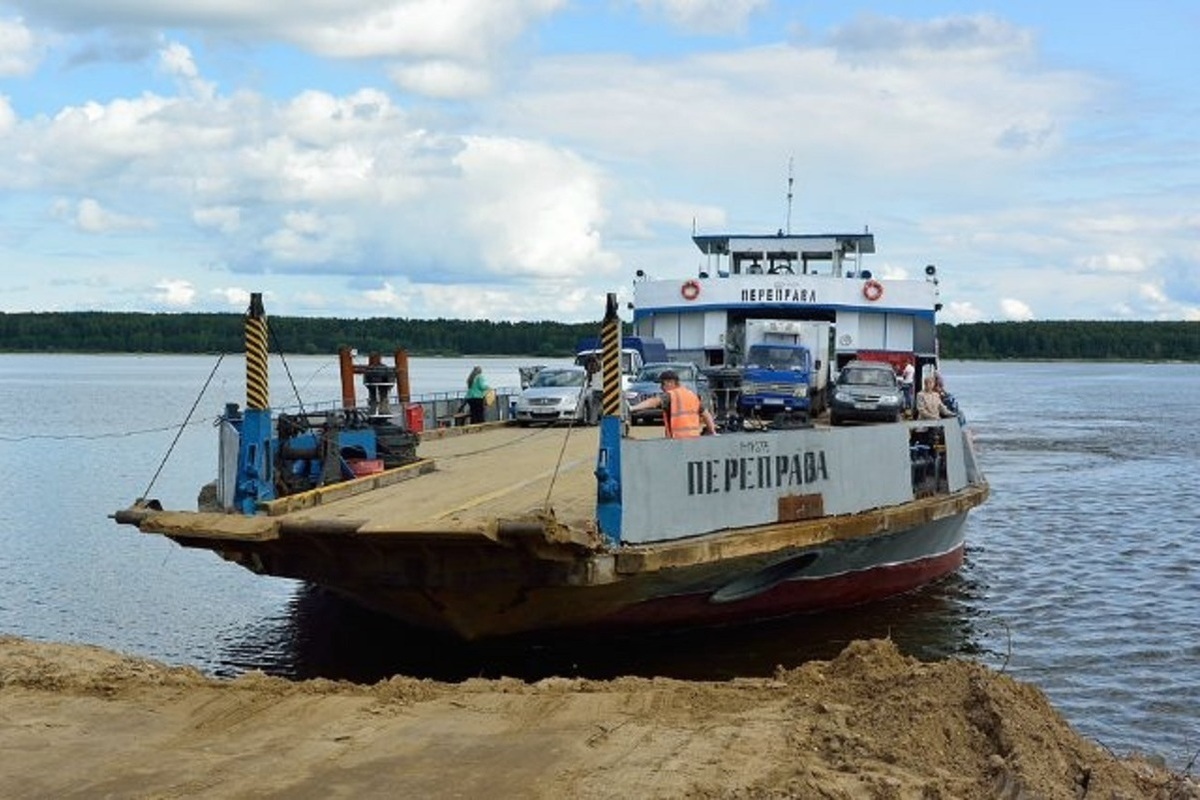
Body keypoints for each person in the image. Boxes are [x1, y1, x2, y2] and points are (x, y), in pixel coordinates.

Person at [628, 370, 717, 438]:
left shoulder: (672, 395)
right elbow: (706, 414)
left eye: (663, 384)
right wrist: (713, 432)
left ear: (671, 382)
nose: (661, 387)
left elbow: (654, 401)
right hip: (694, 438)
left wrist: (633, 408)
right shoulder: (691, 395)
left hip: (677, 440)